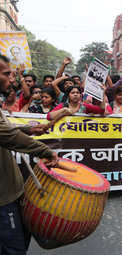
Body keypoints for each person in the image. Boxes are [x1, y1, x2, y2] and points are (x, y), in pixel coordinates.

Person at [0, 54, 59, 255]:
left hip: (11, 190)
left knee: (19, 242)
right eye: (6, 73)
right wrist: (45, 151)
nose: (12, 78)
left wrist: (29, 130)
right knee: (14, 249)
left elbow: (7, 130)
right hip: (2, 197)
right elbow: (7, 135)